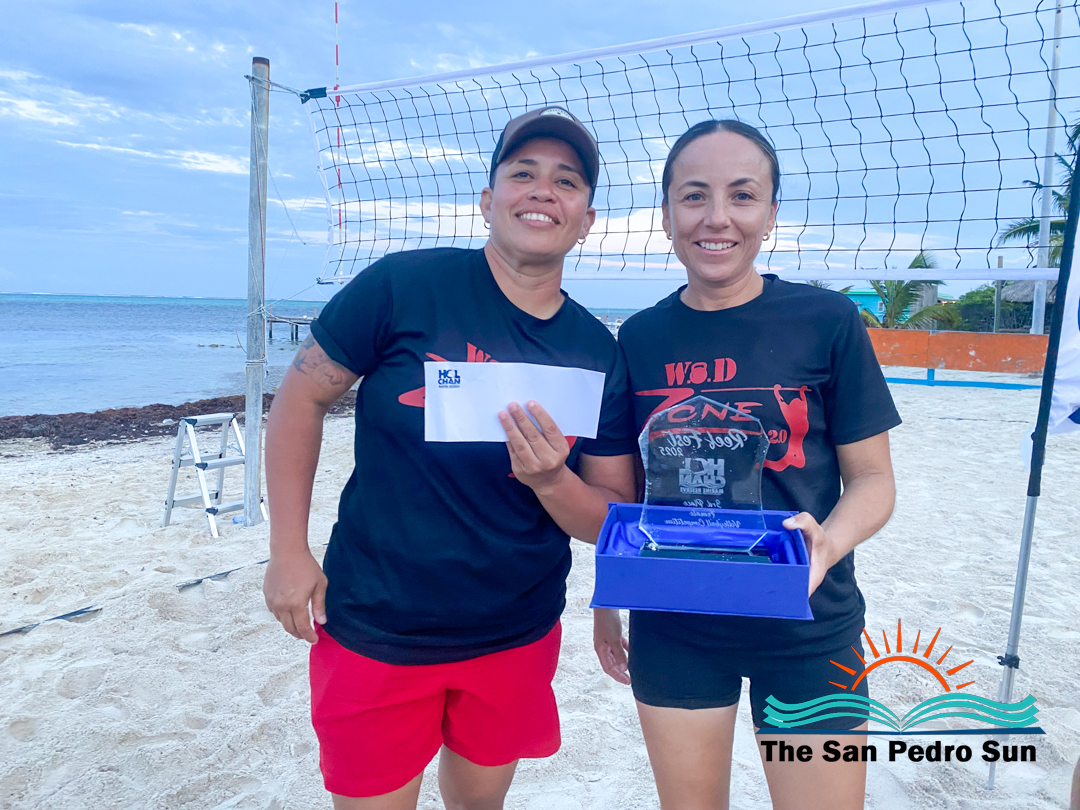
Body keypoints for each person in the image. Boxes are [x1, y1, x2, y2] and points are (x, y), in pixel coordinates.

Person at [263, 106, 637, 810]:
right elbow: (300, 400)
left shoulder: (597, 352)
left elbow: (612, 518)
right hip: (376, 622)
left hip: (515, 630)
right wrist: (288, 549)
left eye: (566, 181)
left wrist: (551, 481)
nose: (542, 190)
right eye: (522, 173)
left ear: (586, 220)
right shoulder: (401, 286)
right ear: (487, 200)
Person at [593, 119, 901, 810]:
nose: (717, 217)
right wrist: (608, 602)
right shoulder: (639, 337)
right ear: (666, 214)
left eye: (742, 195)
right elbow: (628, 499)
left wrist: (830, 542)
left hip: (809, 624)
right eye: (694, 195)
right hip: (676, 622)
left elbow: (874, 480)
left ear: (770, 213)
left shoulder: (826, 320)